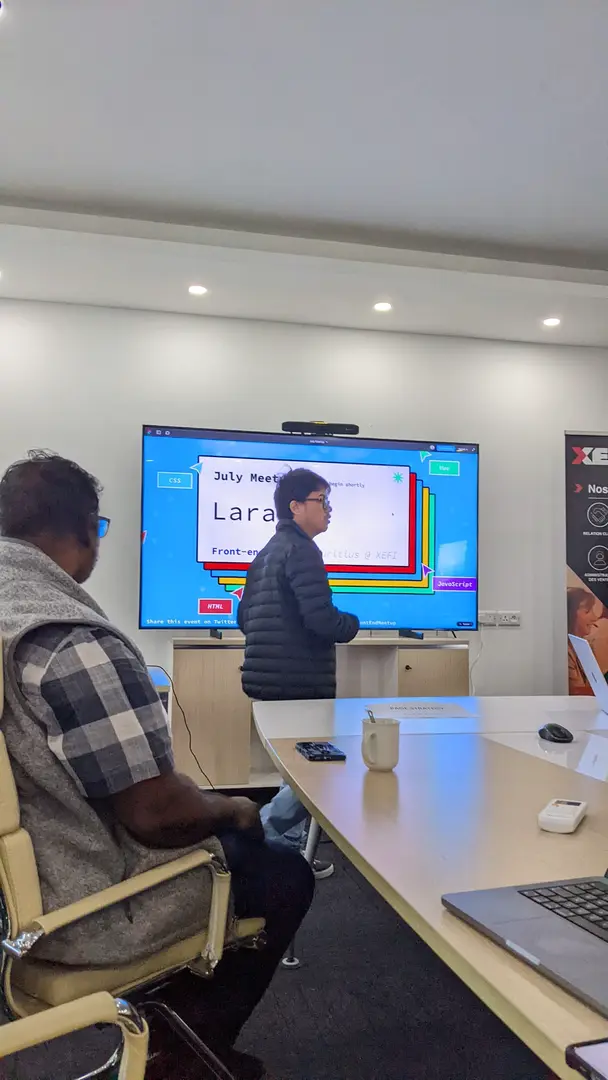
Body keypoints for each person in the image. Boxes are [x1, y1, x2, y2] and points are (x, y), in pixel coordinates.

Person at [0, 451, 314, 1080]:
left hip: (15, 905)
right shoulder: (70, 640)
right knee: (283, 872)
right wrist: (233, 807)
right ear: (86, 530)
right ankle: (183, 1055)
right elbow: (158, 816)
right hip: (82, 912)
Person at [237, 468, 359, 872]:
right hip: (299, 684)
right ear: (295, 506)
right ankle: (256, 838)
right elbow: (321, 620)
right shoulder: (303, 550)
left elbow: (243, 618)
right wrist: (351, 624)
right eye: (321, 501)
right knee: (314, 773)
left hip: (269, 683)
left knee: (297, 771)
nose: (329, 510)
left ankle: (285, 854)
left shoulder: (267, 552)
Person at [567, 587, 600, 694]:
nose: (595, 617)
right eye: (587, 612)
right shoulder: (565, 652)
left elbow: (596, 684)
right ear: (571, 614)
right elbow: (575, 692)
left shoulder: (585, 646)